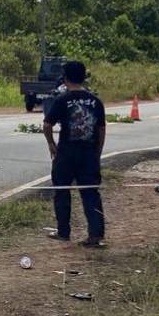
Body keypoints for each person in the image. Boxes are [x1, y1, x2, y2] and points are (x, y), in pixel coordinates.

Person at [42, 60, 107, 247]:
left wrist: (51, 144)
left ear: (65, 78)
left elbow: (47, 124)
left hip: (66, 153)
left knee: (62, 191)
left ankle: (63, 231)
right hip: (88, 154)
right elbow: (101, 129)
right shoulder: (95, 101)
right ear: (84, 77)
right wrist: (98, 152)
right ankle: (96, 234)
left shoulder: (63, 100)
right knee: (91, 193)